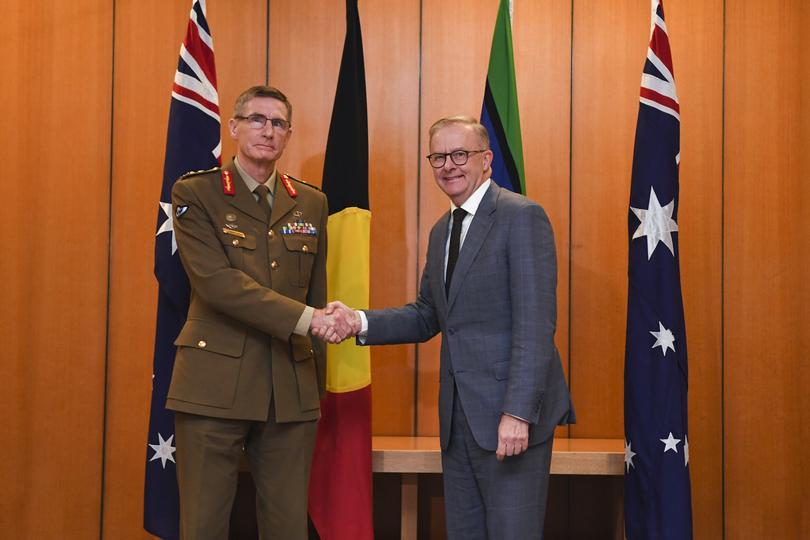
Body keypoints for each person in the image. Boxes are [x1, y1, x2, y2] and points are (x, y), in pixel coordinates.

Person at [320, 116, 575, 539]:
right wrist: (357, 321)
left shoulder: (521, 216)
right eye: (438, 156)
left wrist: (517, 413)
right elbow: (427, 315)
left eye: (460, 154)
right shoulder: (443, 230)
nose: (448, 165)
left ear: (486, 160)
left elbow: (535, 325)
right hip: (459, 421)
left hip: (509, 422)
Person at [167, 85, 354, 539]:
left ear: (288, 135)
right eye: (256, 119)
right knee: (205, 524)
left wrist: (316, 384)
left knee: (287, 527)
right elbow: (219, 286)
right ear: (234, 127)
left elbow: (316, 289)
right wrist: (311, 321)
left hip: (288, 387)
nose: (266, 131)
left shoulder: (311, 202)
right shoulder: (197, 193)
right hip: (214, 386)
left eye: (277, 123)